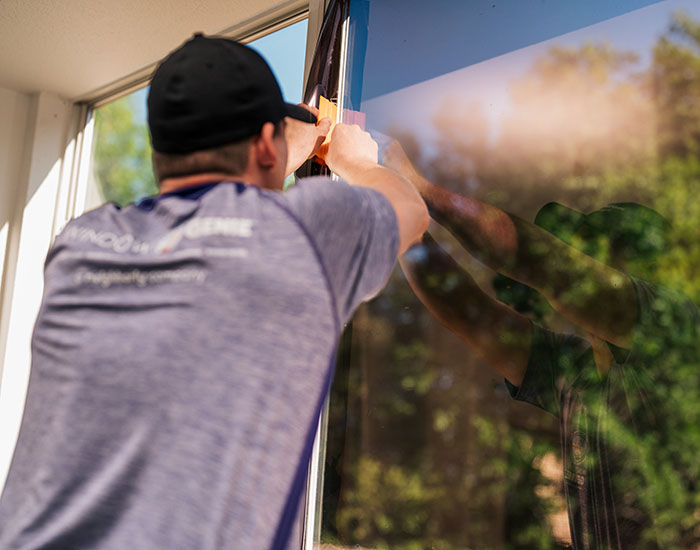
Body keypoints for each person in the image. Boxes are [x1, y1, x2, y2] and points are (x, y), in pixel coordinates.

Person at [0, 35, 428, 549]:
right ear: (266, 146)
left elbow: (211, 222)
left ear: (160, 151)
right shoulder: (306, 234)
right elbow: (410, 211)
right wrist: (358, 162)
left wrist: (268, 153)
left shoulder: (80, 247)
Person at [379, 139, 700, 549]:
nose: (579, 258)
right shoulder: (577, 373)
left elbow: (549, 267)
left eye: (595, 253)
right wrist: (394, 205)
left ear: (643, 271)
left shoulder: (676, 326)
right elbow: (466, 310)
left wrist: (417, 187)